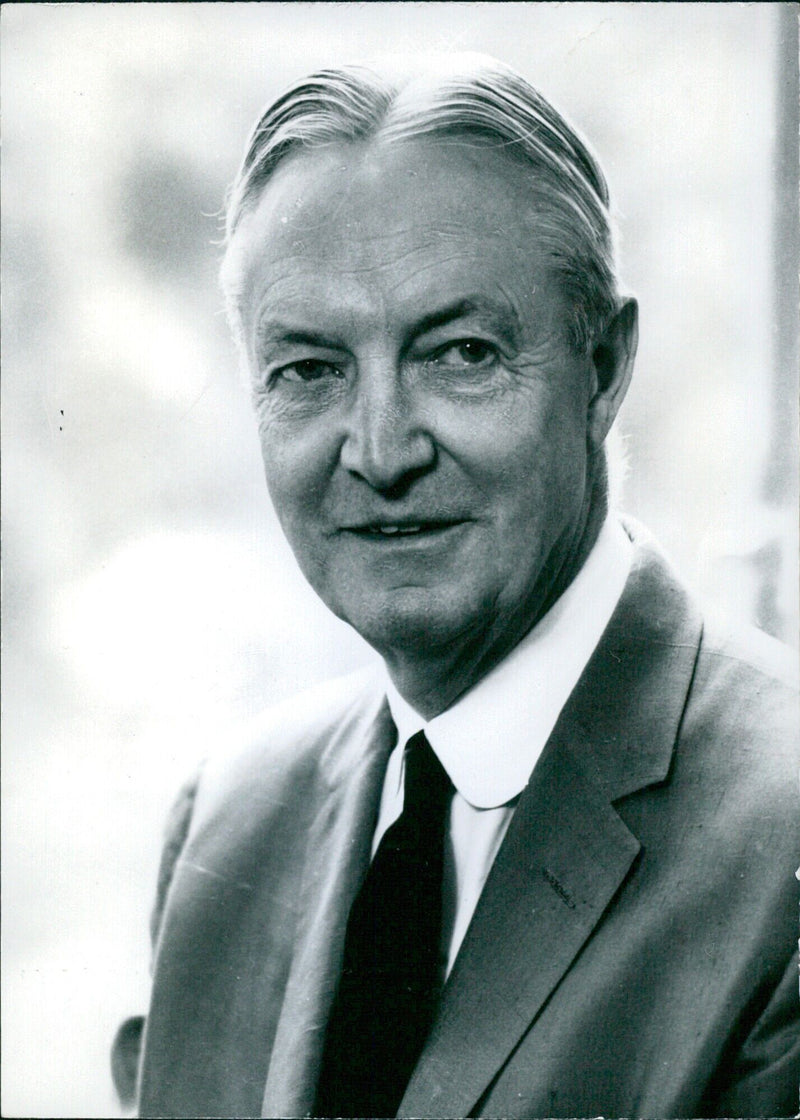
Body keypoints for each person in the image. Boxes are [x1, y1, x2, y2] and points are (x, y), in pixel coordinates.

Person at [112, 54, 799, 1118]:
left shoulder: (779, 834)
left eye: (460, 353)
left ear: (603, 367)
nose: (379, 450)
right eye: (308, 370)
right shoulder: (226, 826)